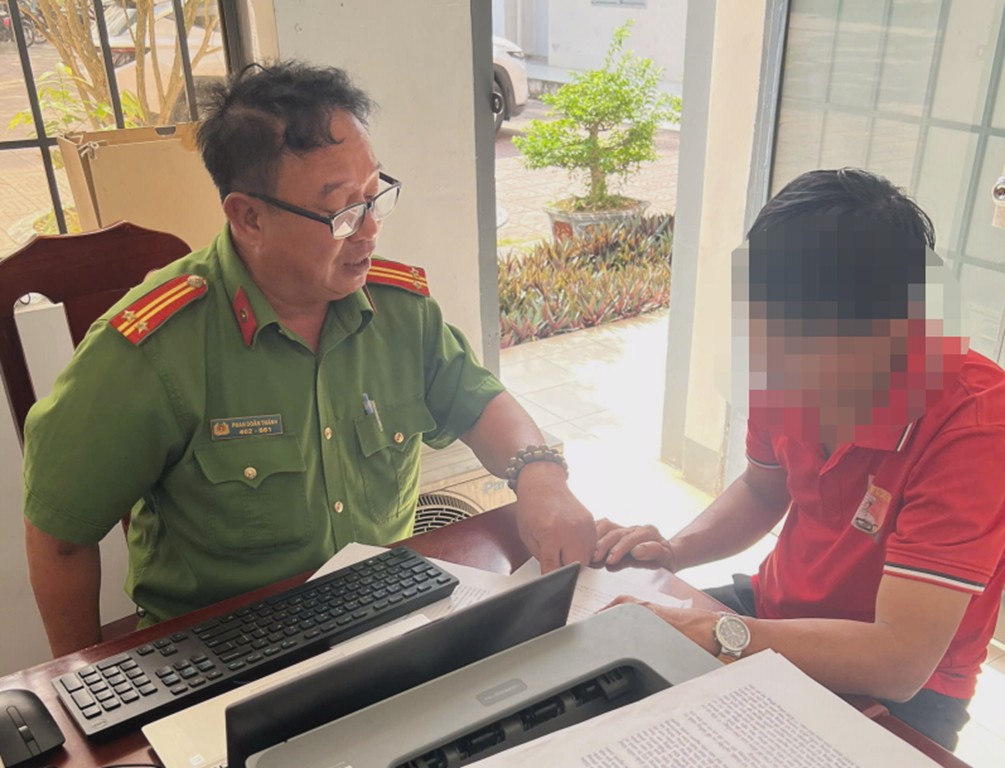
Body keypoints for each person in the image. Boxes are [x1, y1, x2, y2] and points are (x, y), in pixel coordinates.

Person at [22, 61, 596, 657]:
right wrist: (81, 684)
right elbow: (61, 536)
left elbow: (478, 403)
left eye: (373, 196)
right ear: (249, 217)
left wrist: (541, 478)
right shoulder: (156, 348)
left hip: (384, 616)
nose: (369, 231)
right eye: (342, 212)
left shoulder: (397, 310)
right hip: (220, 650)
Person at [593, 168, 1005, 751]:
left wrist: (716, 632)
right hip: (771, 612)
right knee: (601, 672)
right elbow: (762, 489)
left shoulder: (976, 425)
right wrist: (675, 552)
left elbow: (899, 659)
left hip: (905, 691)